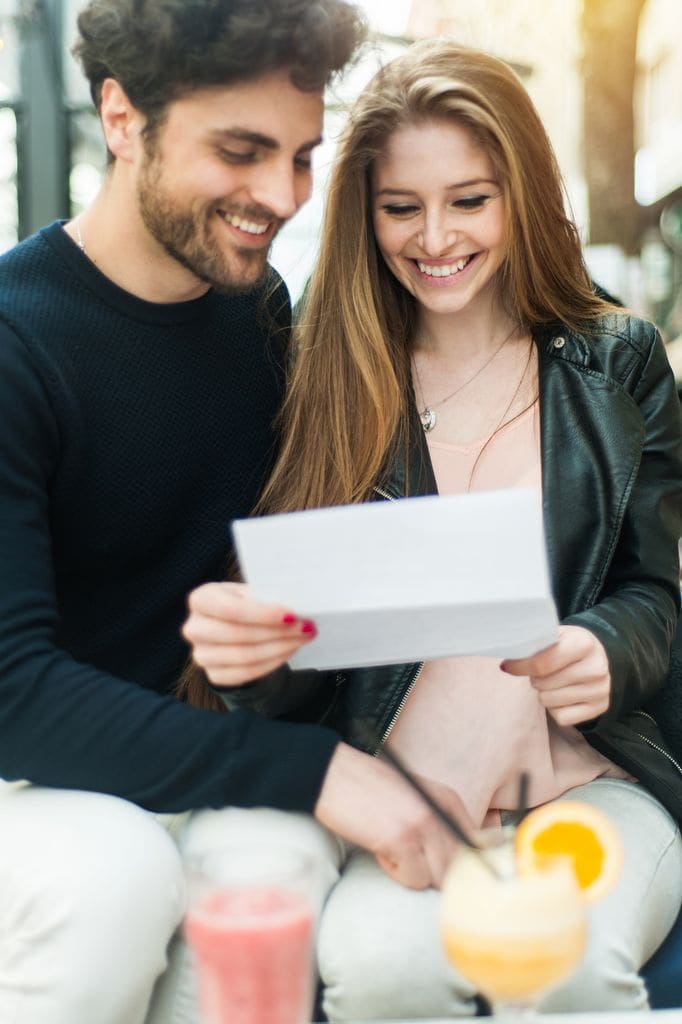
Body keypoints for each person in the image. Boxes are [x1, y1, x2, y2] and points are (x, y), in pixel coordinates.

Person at [0, 5, 484, 1023]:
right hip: (31, 781)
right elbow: (14, 693)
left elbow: (273, 640)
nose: (281, 195)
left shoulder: (263, 319)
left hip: (190, 760)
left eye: (302, 156)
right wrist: (322, 770)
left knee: (277, 860)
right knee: (113, 876)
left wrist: (283, 665)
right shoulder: (15, 342)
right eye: (241, 150)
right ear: (123, 117)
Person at [184, 39, 682, 1021]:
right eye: (400, 206)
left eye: (470, 199)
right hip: (406, 798)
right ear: (364, 214)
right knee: (383, 974)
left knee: (568, 968)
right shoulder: (318, 373)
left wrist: (606, 646)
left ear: (521, 195)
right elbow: (296, 647)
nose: (435, 237)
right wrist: (254, 645)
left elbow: (652, 592)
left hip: (586, 784)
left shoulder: (615, 360)